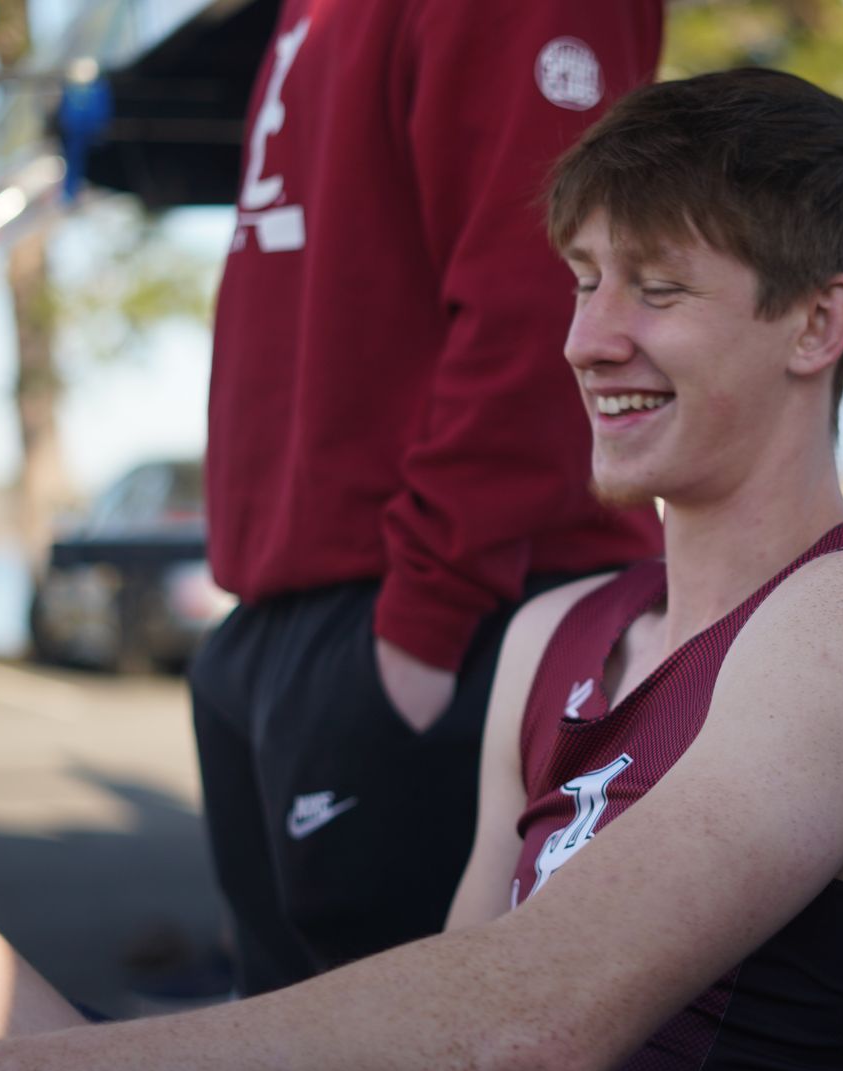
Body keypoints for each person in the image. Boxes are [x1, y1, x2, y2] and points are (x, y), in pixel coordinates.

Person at [0, 68, 843, 1071]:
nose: (588, 340)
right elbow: (461, 998)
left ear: (817, 325)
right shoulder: (562, 630)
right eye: (584, 282)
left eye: (656, 291)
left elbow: (534, 1026)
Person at [190, 0, 666, 994]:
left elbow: (553, 288)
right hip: (306, 614)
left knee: (419, 1036)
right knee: (287, 1037)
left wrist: (427, 616)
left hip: (457, 611)